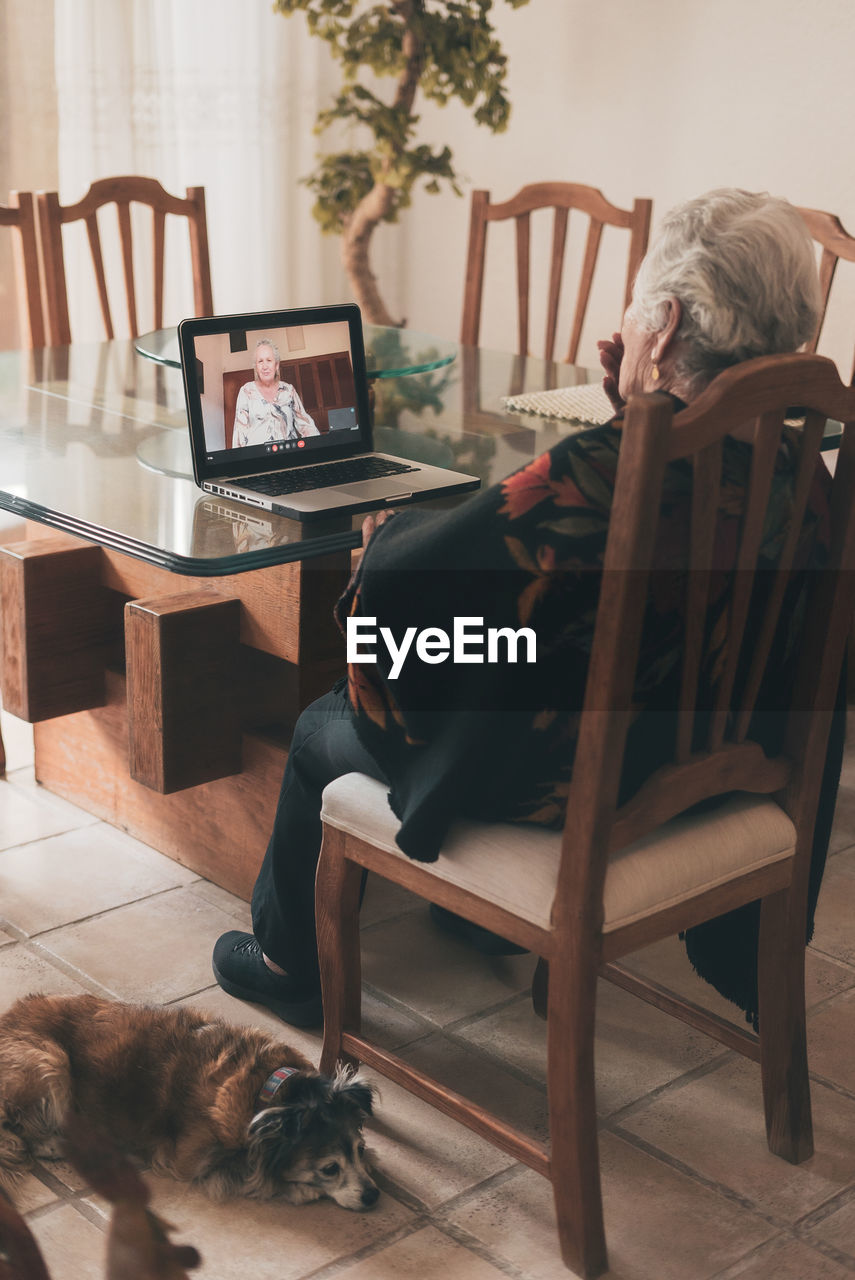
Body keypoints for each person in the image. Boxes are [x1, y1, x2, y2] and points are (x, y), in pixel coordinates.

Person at [213, 188, 838, 1029]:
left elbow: (401, 601)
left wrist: (379, 541)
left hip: (574, 786)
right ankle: (475, 916)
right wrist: (634, 405)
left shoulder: (596, 473)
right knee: (509, 651)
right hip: (697, 762)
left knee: (323, 722)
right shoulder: (801, 474)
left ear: (668, 323)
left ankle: (289, 964)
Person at [233, 339, 319, 446]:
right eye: (260, 361)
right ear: (256, 367)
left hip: (288, 454)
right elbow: (239, 434)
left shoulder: (289, 390)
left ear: (276, 365)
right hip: (258, 459)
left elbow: (306, 425)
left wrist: (317, 449)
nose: (265, 367)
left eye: (269, 360)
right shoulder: (246, 391)